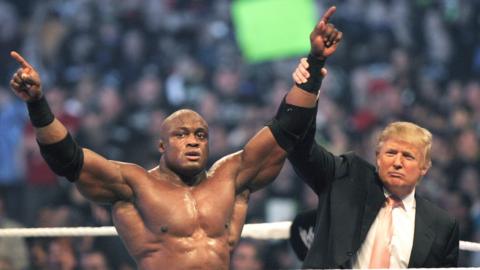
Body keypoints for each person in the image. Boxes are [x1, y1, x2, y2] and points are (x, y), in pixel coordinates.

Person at [8, 6, 341, 269]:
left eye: (200, 134)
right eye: (182, 135)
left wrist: (314, 62)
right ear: (162, 146)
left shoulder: (231, 177)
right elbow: (68, 160)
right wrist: (37, 103)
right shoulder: (134, 185)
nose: (193, 141)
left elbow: (286, 130)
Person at [282, 8, 459, 269]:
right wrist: (313, 69)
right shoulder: (345, 180)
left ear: (425, 168)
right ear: (377, 157)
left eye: (408, 156)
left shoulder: (442, 225)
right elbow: (299, 147)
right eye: (390, 153)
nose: (397, 162)